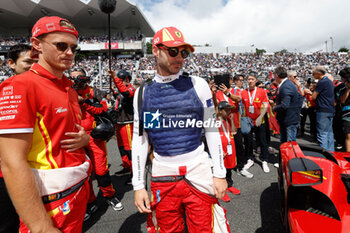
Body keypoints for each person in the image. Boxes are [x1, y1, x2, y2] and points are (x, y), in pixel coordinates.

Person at [132, 26, 229, 232]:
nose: (180, 58)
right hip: (162, 175)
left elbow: (211, 130)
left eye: (184, 53)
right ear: (156, 51)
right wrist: (138, 185)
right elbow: (140, 140)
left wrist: (220, 173)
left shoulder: (198, 84)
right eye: (173, 51)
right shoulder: (142, 93)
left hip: (198, 171)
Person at [0, 16, 91, 233]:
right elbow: (11, 162)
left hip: (77, 190)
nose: (69, 52)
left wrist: (85, 138)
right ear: (36, 45)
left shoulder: (68, 87)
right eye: (61, 45)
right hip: (50, 202)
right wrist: (40, 226)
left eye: (73, 47)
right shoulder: (18, 85)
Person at [69, 68, 123, 221]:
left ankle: (109, 195)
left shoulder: (95, 92)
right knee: (82, 173)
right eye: (72, 78)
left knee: (101, 169)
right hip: (74, 136)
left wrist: (84, 102)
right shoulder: (66, 91)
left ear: (84, 77)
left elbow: (103, 110)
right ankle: (90, 202)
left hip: (93, 135)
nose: (75, 81)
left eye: (78, 77)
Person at [0, 43, 38, 233]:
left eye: (36, 61)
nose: (34, 66)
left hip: (40, 170)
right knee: (10, 223)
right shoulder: (6, 90)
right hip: (8, 174)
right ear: (11, 64)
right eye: (28, 62)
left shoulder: (41, 89)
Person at [241, 73, 270, 173]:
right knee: (248, 141)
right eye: (248, 79)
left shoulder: (262, 91)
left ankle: (264, 160)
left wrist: (260, 117)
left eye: (252, 79)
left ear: (256, 80)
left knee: (262, 141)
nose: (250, 81)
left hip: (259, 121)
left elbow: (266, 106)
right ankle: (250, 159)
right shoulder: (243, 92)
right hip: (248, 121)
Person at [109, 70, 135, 172]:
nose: (117, 83)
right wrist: (113, 91)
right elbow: (120, 97)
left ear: (127, 80)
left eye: (120, 81)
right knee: (121, 147)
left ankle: (134, 172)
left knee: (129, 149)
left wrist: (115, 78)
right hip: (119, 123)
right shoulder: (121, 92)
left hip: (127, 123)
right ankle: (127, 166)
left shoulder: (132, 89)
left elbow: (125, 93)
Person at [217, 101, 241, 202]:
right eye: (226, 110)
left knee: (229, 168)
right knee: (221, 170)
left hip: (229, 148)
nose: (229, 111)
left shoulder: (227, 120)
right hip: (221, 150)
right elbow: (212, 138)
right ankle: (222, 191)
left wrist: (231, 121)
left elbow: (234, 131)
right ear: (220, 111)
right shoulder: (215, 122)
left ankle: (229, 185)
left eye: (229, 109)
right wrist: (219, 150)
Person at [273, 66, 302, 143]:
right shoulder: (287, 84)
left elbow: (285, 105)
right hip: (288, 118)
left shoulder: (286, 86)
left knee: (289, 144)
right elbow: (300, 98)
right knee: (286, 143)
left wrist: (274, 108)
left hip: (289, 119)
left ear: (276, 76)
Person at [312, 66, 335, 151]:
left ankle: (324, 154)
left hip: (322, 110)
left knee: (322, 134)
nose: (312, 75)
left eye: (313, 73)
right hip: (330, 109)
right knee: (329, 133)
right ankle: (331, 152)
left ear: (319, 73)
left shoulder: (322, 82)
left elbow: (313, 97)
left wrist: (311, 92)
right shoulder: (328, 81)